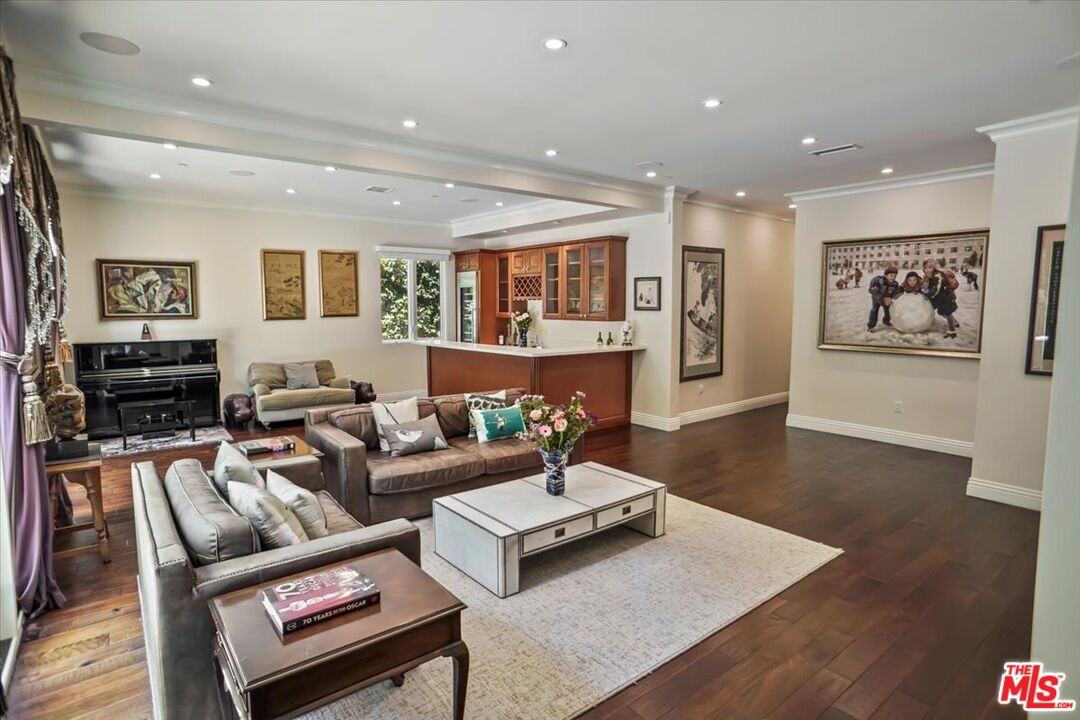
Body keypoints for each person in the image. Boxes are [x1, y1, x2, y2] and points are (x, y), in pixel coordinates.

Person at [922, 259, 961, 338]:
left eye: (930, 267)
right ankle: (955, 322)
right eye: (926, 268)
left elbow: (936, 289)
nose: (927, 269)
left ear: (934, 268)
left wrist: (927, 292)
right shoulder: (928, 276)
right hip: (941, 298)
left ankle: (952, 331)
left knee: (947, 313)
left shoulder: (938, 276)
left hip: (946, 298)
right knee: (943, 313)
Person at [867, 266, 900, 332]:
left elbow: (895, 292)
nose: (893, 278)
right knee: (874, 311)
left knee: (888, 311)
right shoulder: (879, 282)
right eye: (891, 276)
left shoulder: (895, 284)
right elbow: (872, 291)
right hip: (877, 300)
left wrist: (893, 298)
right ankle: (871, 325)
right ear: (886, 275)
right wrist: (881, 297)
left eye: (895, 276)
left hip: (887, 300)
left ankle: (886, 321)